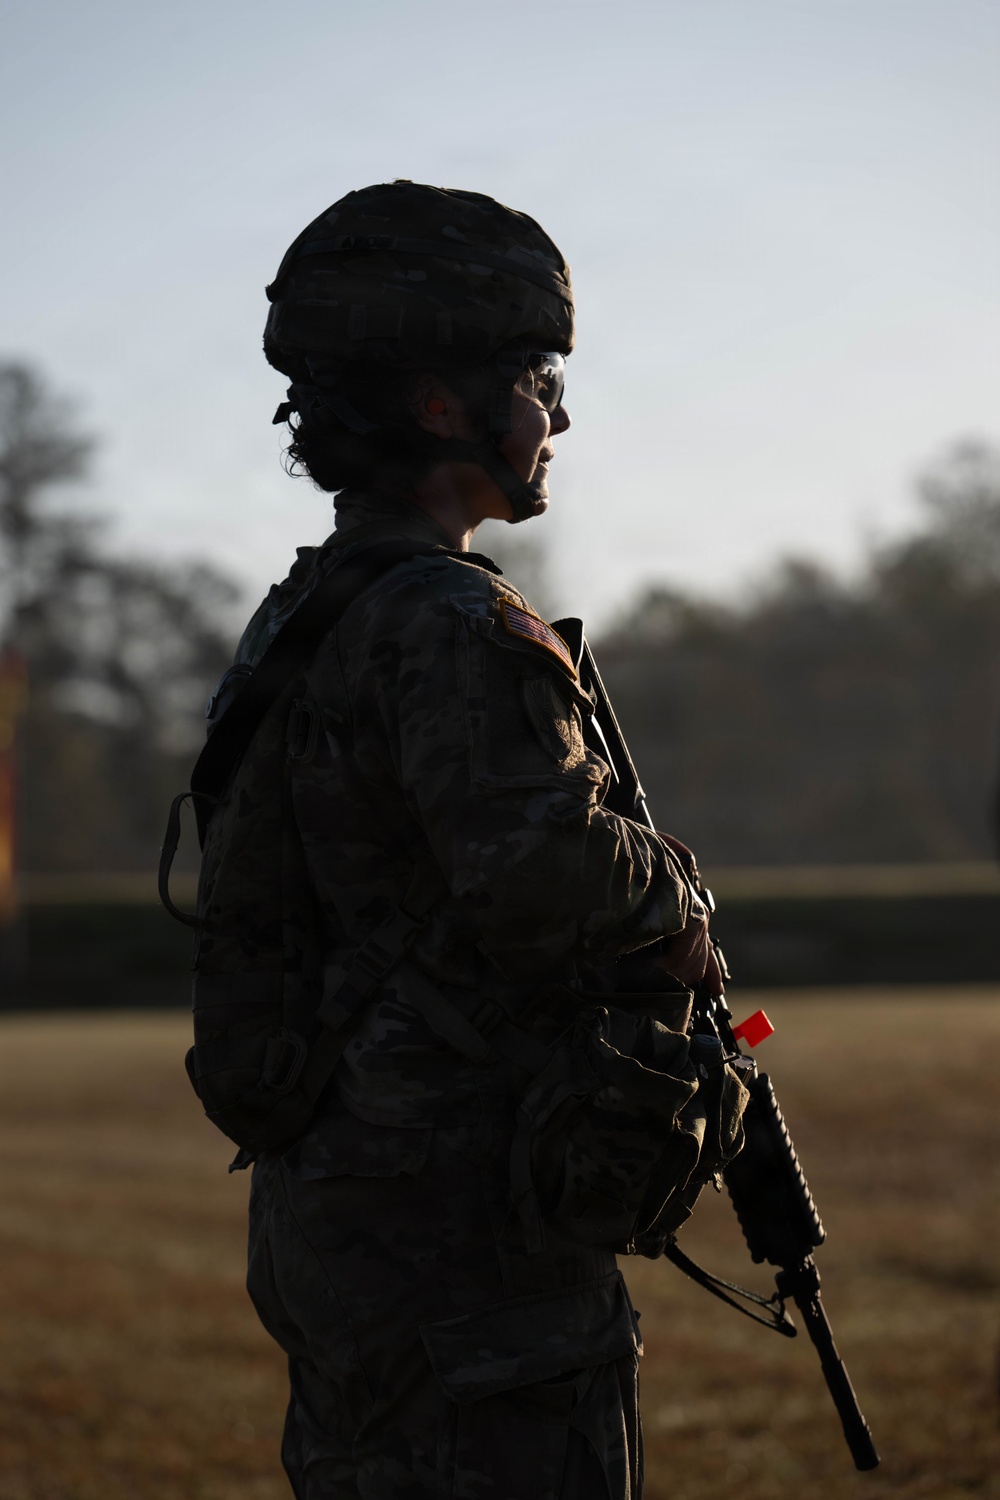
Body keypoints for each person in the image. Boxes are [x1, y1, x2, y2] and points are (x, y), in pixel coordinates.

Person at [213, 181, 719, 1499]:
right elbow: (545, 886)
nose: (556, 414)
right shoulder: (448, 620)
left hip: (338, 1201)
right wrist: (680, 899)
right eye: (539, 376)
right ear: (444, 405)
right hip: (467, 1233)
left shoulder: (297, 621)